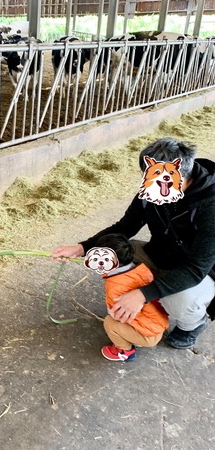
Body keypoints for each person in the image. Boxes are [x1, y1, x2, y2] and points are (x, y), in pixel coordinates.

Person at [52, 137, 215, 349]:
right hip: (160, 253)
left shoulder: (209, 207)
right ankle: (154, 298)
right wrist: (83, 247)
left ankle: (191, 324)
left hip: (199, 270)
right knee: (110, 253)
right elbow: (125, 226)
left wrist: (142, 294)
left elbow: (196, 268)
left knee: (181, 303)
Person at [94, 233, 169, 362]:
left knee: (110, 323)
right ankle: (134, 337)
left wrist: (111, 310)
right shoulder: (141, 268)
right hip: (159, 322)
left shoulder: (115, 287)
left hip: (149, 334)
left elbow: (117, 314)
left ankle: (124, 351)